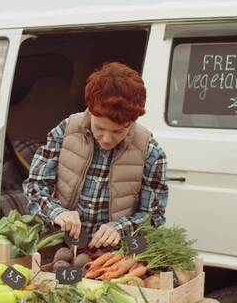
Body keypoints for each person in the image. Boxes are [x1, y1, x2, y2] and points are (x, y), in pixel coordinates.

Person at [23, 62, 168, 248]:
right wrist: (56, 212)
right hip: (60, 245)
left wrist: (120, 228)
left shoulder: (151, 153)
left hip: (114, 256)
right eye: (99, 128)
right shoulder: (66, 131)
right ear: (90, 110)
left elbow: (154, 216)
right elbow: (35, 186)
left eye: (117, 131)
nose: (106, 139)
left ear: (133, 120)